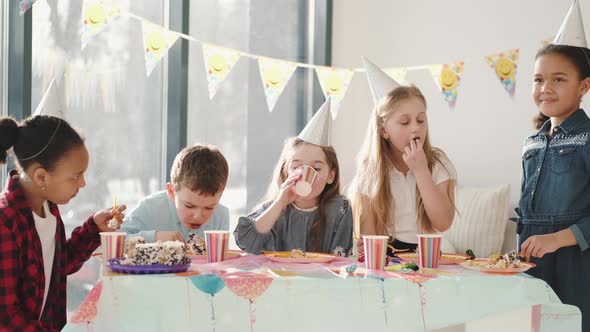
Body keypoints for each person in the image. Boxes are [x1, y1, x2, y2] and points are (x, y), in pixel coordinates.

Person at [0, 115, 125, 331]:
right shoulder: (5, 223)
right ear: (41, 177)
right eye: (76, 176)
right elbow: (6, 317)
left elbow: (57, 266)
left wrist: (93, 230)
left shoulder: (48, 209)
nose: (83, 183)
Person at [515, 3, 590, 329]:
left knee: (570, 323)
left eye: (558, 79)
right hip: (530, 260)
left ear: (584, 86)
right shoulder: (531, 142)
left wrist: (557, 238)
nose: (545, 88)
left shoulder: (587, 138)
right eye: (538, 79)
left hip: (575, 263)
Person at [350, 58, 457, 256]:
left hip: (428, 256)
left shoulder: (439, 164)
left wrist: (421, 171)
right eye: (405, 122)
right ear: (383, 130)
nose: (415, 128)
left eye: (420, 120)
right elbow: (368, 235)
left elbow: (443, 223)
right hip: (385, 256)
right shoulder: (370, 170)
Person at [234, 100, 353, 256]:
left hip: (322, 279)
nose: (305, 174)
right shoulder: (274, 209)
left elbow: (340, 258)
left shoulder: (339, 208)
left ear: (331, 176)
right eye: (297, 168)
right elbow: (246, 242)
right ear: (286, 172)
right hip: (280, 279)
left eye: (316, 168)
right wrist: (280, 203)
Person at [121, 144, 229, 243]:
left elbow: (221, 261)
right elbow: (113, 240)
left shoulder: (221, 216)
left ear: (220, 196)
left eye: (209, 208)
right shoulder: (149, 208)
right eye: (189, 206)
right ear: (171, 191)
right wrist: (154, 237)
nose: (198, 216)